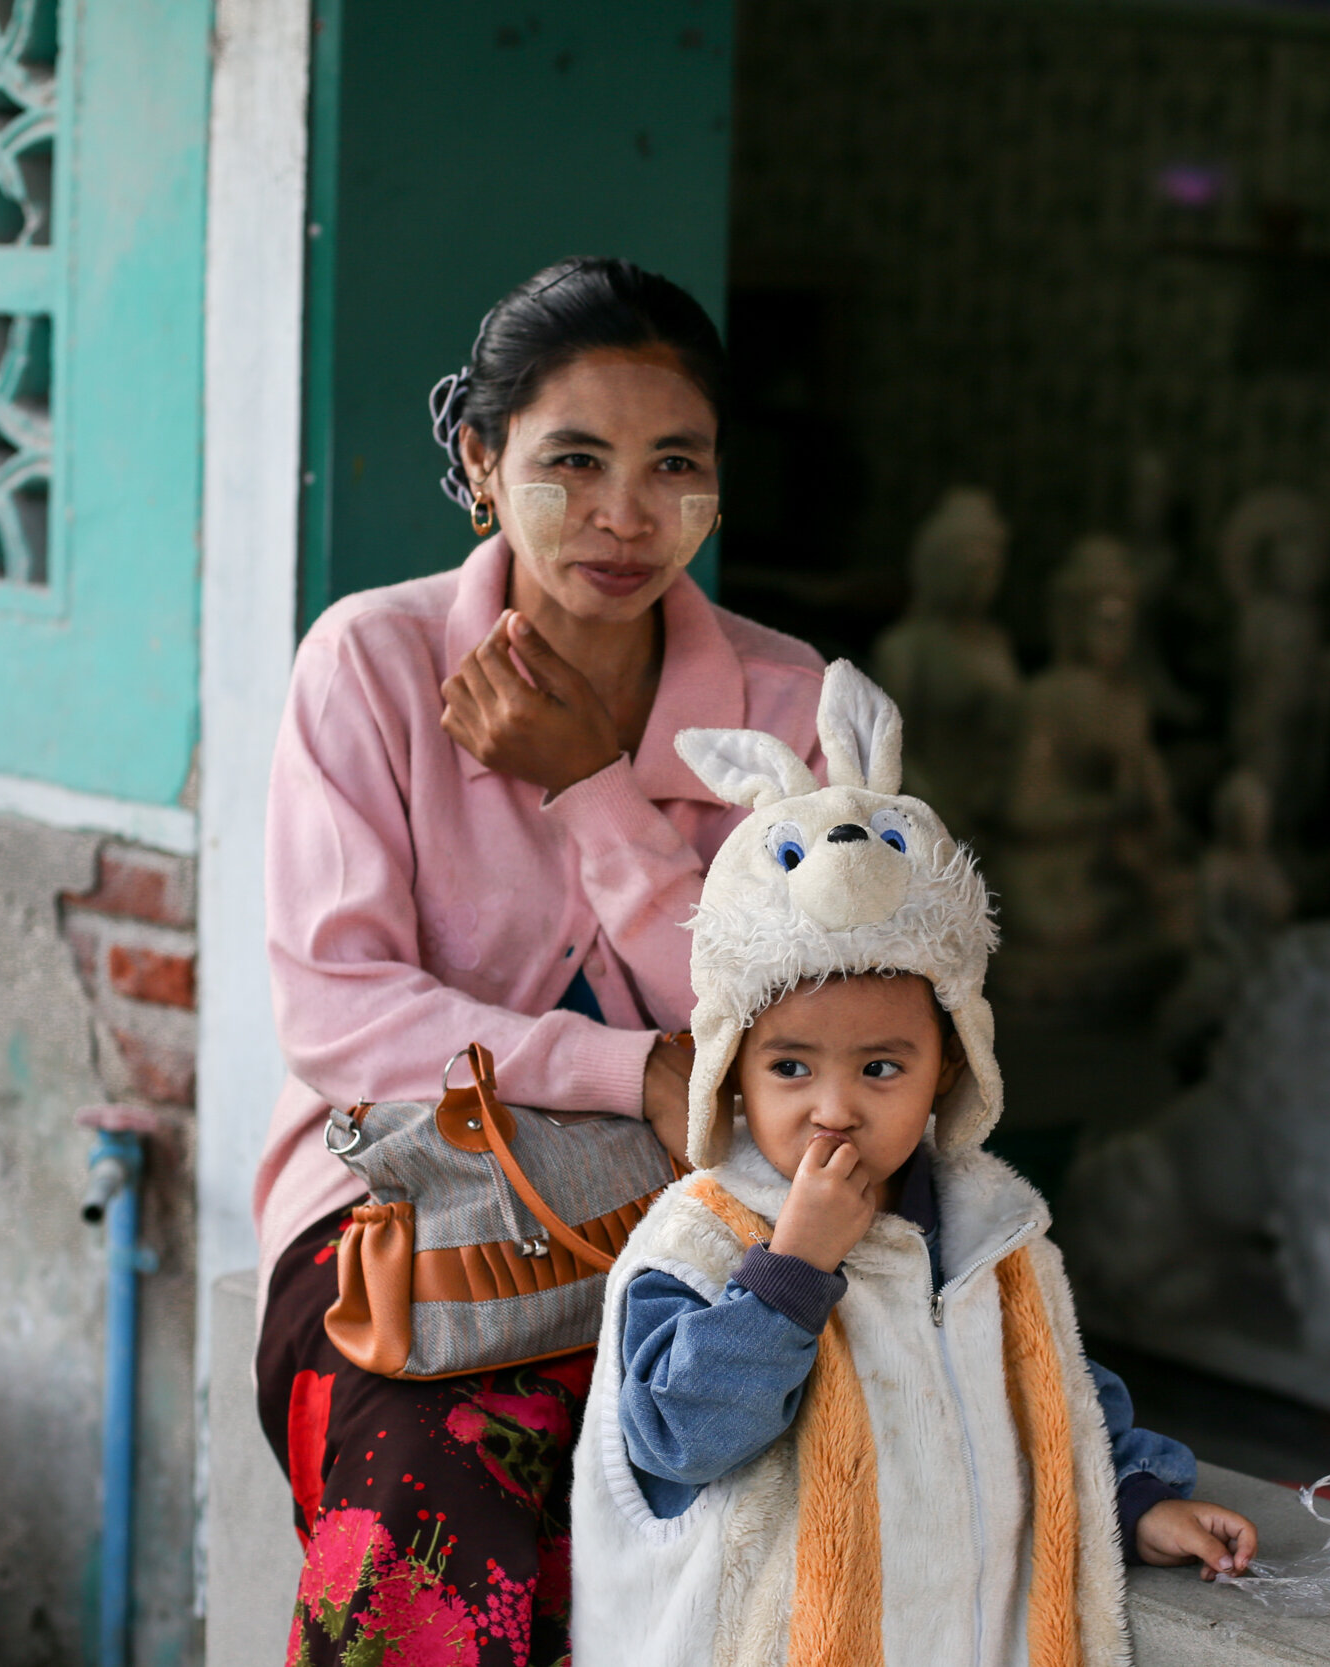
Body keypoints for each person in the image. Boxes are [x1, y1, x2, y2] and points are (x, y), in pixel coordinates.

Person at [252, 258, 825, 1667]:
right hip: (402, 1225)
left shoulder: (790, 706)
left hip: (704, 1229)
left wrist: (591, 790)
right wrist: (632, 1069)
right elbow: (339, 1010)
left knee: (796, 1481)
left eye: (673, 464)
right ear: (482, 462)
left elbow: (796, 1038)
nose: (626, 517)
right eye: (574, 460)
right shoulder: (372, 666)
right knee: (435, 1484)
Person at [570, 662, 1256, 1666]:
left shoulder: (984, 1227)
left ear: (948, 1068)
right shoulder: (705, 1240)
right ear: (729, 1073)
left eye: (881, 1065)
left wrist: (1141, 1495)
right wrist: (790, 1274)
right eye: (790, 1065)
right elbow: (674, 1437)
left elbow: (1048, 1390)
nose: (834, 1103)